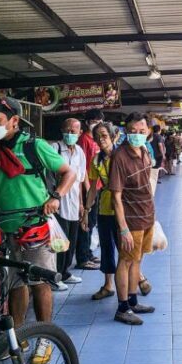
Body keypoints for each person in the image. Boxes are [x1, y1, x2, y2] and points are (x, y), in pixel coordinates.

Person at [0, 96, 76, 364]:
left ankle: (45, 338)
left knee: (40, 284)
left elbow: (68, 173)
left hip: (36, 226)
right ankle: (18, 337)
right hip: (6, 228)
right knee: (15, 284)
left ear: (14, 121)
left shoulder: (34, 146)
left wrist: (56, 197)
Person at [109, 112, 156, 325]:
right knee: (126, 260)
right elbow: (116, 197)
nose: (137, 135)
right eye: (133, 131)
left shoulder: (145, 150)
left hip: (147, 216)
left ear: (148, 132)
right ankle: (122, 308)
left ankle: (133, 300)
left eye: (141, 131)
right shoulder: (120, 157)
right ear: (126, 132)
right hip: (131, 220)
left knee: (138, 259)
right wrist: (124, 229)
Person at [83, 122, 119, 300]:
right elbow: (92, 189)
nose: (100, 140)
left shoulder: (124, 155)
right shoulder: (96, 160)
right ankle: (108, 285)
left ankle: (137, 279)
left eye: (104, 136)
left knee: (127, 248)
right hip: (105, 209)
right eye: (97, 137)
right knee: (106, 248)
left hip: (125, 210)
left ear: (113, 136)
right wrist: (86, 210)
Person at [51, 117, 87, 291]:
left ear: (80, 133)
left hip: (73, 202)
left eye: (73, 131)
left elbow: (79, 180)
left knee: (71, 240)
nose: (69, 134)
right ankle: (55, 276)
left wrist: (81, 204)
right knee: (59, 242)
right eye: (67, 130)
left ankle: (65, 272)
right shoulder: (55, 149)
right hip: (57, 203)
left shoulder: (80, 151)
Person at [76, 109, 104, 271]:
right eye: (93, 120)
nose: (96, 123)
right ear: (87, 122)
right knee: (85, 222)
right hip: (89, 188)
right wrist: (87, 189)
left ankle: (87, 253)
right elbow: (82, 167)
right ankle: (82, 258)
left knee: (92, 222)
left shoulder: (96, 140)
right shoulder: (84, 140)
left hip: (97, 186)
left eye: (99, 121)